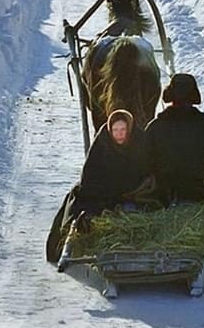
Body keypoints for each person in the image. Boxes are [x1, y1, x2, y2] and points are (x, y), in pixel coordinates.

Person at [45, 109, 154, 263]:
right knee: (82, 204)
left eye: (123, 130)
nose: (119, 134)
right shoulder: (102, 143)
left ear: (129, 128)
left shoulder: (139, 142)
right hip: (105, 194)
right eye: (115, 130)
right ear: (110, 130)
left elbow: (146, 171)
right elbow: (90, 176)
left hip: (133, 194)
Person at [144, 73, 204, 204]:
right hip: (200, 193)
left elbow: (144, 160)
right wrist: (202, 167)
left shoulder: (155, 127)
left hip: (165, 196)